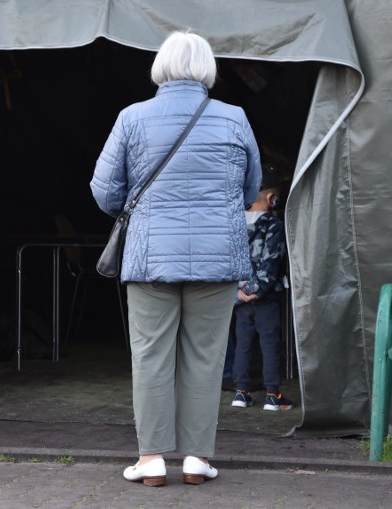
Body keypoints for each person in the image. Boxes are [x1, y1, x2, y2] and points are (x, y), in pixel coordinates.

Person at [90, 31, 262, 486]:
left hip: (150, 257)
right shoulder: (234, 117)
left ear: (160, 67)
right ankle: (196, 458)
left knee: (150, 355)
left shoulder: (133, 117)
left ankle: (150, 460)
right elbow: (250, 189)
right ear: (207, 67)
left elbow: (104, 191)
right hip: (217, 256)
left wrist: (143, 211)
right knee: (205, 356)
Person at [230, 164, 293, 412]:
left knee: (242, 344)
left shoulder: (234, 224)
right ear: (271, 198)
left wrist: (239, 291)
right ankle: (272, 395)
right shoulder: (273, 225)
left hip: (239, 298)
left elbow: (229, 260)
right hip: (265, 298)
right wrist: (259, 289)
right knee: (269, 345)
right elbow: (272, 260)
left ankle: (241, 392)